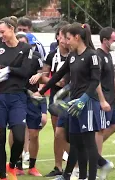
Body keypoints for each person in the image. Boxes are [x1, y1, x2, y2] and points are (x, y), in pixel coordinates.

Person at [36, 22, 102, 180]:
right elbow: (58, 75)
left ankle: (91, 177)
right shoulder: (72, 56)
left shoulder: (92, 55)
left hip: (87, 104)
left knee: (89, 143)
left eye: (68, 38)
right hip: (73, 104)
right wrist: (42, 91)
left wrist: (83, 100)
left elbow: (95, 81)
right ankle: (80, 177)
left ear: (77, 37)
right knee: (75, 142)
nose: (66, 42)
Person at [0, 16, 33, 180]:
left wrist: (5, 69)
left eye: (2, 32)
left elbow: (25, 72)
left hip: (18, 98)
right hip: (0, 99)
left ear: (12, 29)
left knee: (19, 138)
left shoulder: (26, 48)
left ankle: (12, 165)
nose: (0, 36)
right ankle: (2, 177)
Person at [40, 23, 71, 178]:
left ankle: (75, 165)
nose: (64, 39)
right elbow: (43, 75)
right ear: (58, 37)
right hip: (56, 96)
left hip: (72, 96)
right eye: (61, 35)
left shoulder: (75, 54)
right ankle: (58, 166)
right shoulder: (52, 55)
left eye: (67, 36)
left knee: (71, 132)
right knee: (57, 133)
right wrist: (54, 81)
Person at [13, 33, 44, 177]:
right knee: (16, 132)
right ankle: (17, 165)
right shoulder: (12, 58)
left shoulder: (37, 58)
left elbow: (42, 76)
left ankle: (32, 166)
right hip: (17, 97)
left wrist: (39, 75)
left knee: (34, 133)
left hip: (33, 99)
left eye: (24, 43)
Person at [96, 27, 115, 173]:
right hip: (104, 99)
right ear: (105, 41)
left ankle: (90, 151)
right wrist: (102, 100)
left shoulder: (108, 55)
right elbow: (95, 80)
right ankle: (97, 159)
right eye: (114, 40)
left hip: (112, 99)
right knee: (100, 130)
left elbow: (110, 76)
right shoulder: (98, 56)